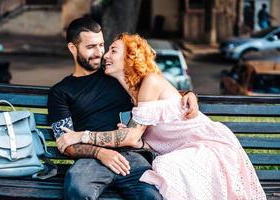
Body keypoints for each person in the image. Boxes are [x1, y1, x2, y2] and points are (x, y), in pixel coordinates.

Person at [57, 33, 267, 200]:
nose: (105, 56)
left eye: (112, 50)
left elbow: (131, 136)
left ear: (130, 56)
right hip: (186, 150)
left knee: (164, 169)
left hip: (207, 147)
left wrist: (80, 135)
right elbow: (163, 109)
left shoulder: (149, 83)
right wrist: (138, 142)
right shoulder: (133, 96)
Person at [48, 17, 199, 200]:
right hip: (91, 159)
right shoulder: (61, 92)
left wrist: (188, 95)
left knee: (152, 197)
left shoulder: (115, 72)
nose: (100, 53)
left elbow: (156, 90)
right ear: (73, 48)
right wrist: (100, 153)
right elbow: (66, 142)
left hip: (132, 155)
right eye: (90, 47)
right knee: (76, 190)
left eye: (101, 45)